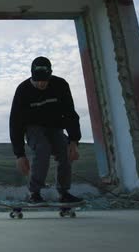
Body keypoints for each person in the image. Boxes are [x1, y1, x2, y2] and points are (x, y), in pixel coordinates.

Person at [9, 56, 83, 204]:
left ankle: (64, 193)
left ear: (50, 74)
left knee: (65, 150)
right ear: (32, 75)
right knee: (42, 148)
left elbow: (70, 114)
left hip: (55, 127)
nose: (42, 83)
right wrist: (19, 155)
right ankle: (34, 193)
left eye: (45, 79)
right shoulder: (23, 90)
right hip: (32, 128)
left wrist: (74, 141)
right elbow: (15, 123)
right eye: (38, 80)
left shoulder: (60, 85)